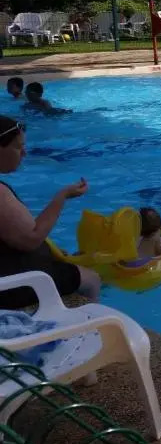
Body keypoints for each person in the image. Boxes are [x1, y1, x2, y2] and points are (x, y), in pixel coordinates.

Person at [0, 116, 101, 308]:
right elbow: (32, 238)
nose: (24, 153)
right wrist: (62, 196)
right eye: (18, 147)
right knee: (92, 279)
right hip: (12, 284)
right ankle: (89, 324)